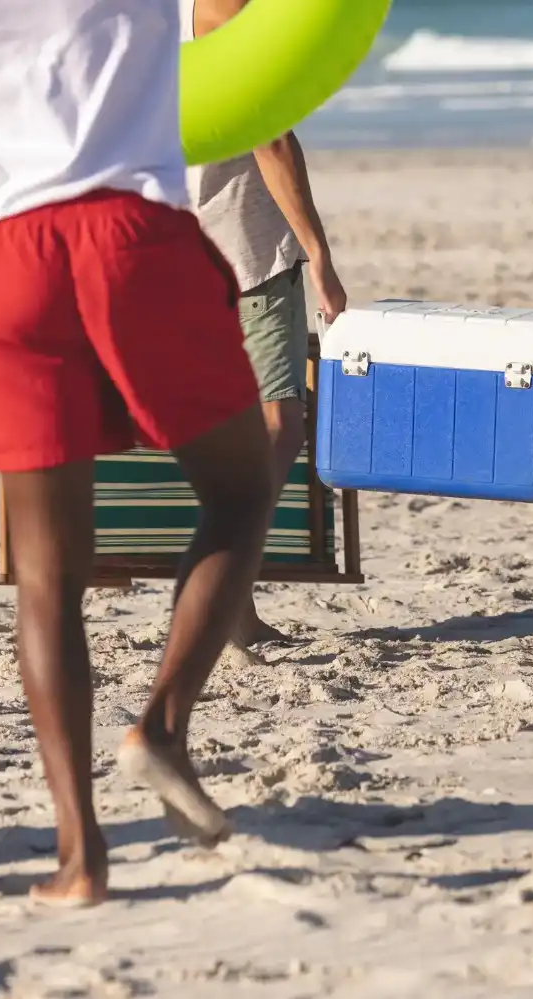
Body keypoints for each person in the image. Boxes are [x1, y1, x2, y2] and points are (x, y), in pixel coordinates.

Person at [0, 0, 279, 905]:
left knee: (50, 574)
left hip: (2, 259)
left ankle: (80, 857)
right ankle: (162, 728)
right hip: (133, 239)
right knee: (245, 487)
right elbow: (243, 23)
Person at [187, 0, 348, 649]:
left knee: (224, 426)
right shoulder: (229, 11)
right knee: (279, 425)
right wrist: (321, 256)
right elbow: (271, 137)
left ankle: (232, 597)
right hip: (243, 248)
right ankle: (227, 593)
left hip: (172, 246)